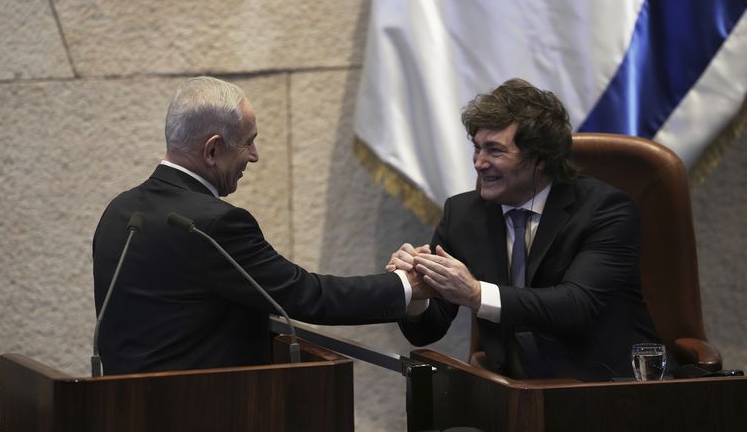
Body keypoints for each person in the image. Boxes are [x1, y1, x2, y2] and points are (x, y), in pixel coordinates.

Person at [93, 76, 430, 375]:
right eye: (247, 142)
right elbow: (306, 295)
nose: (253, 156)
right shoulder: (212, 223)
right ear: (212, 150)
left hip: (127, 410)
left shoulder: (120, 210)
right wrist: (406, 284)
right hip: (200, 412)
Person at [389, 78, 661, 381]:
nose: (479, 163)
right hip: (516, 390)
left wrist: (477, 294)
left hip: (606, 387)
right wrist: (416, 292)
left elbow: (576, 305)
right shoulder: (463, 214)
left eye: (494, 150)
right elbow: (427, 330)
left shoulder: (605, 209)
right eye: (477, 148)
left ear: (539, 159)